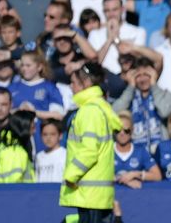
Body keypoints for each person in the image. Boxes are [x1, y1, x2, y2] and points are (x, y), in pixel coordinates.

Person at [59, 62, 123, 222]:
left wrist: (71, 176)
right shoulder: (98, 108)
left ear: (85, 83)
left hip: (89, 193)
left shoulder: (90, 111)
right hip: (95, 195)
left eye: (73, 83)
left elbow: (89, 151)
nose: (71, 87)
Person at [0, 109, 35, 183]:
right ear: (24, 128)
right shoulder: (15, 153)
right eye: (32, 127)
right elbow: (12, 185)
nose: (34, 131)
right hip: (12, 194)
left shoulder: (5, 147)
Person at [35, 118, 66, 182]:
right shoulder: (39, 156)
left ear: (60, 135)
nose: (48, 138)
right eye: (45, 134)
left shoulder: (65, 155)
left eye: (52, 134)